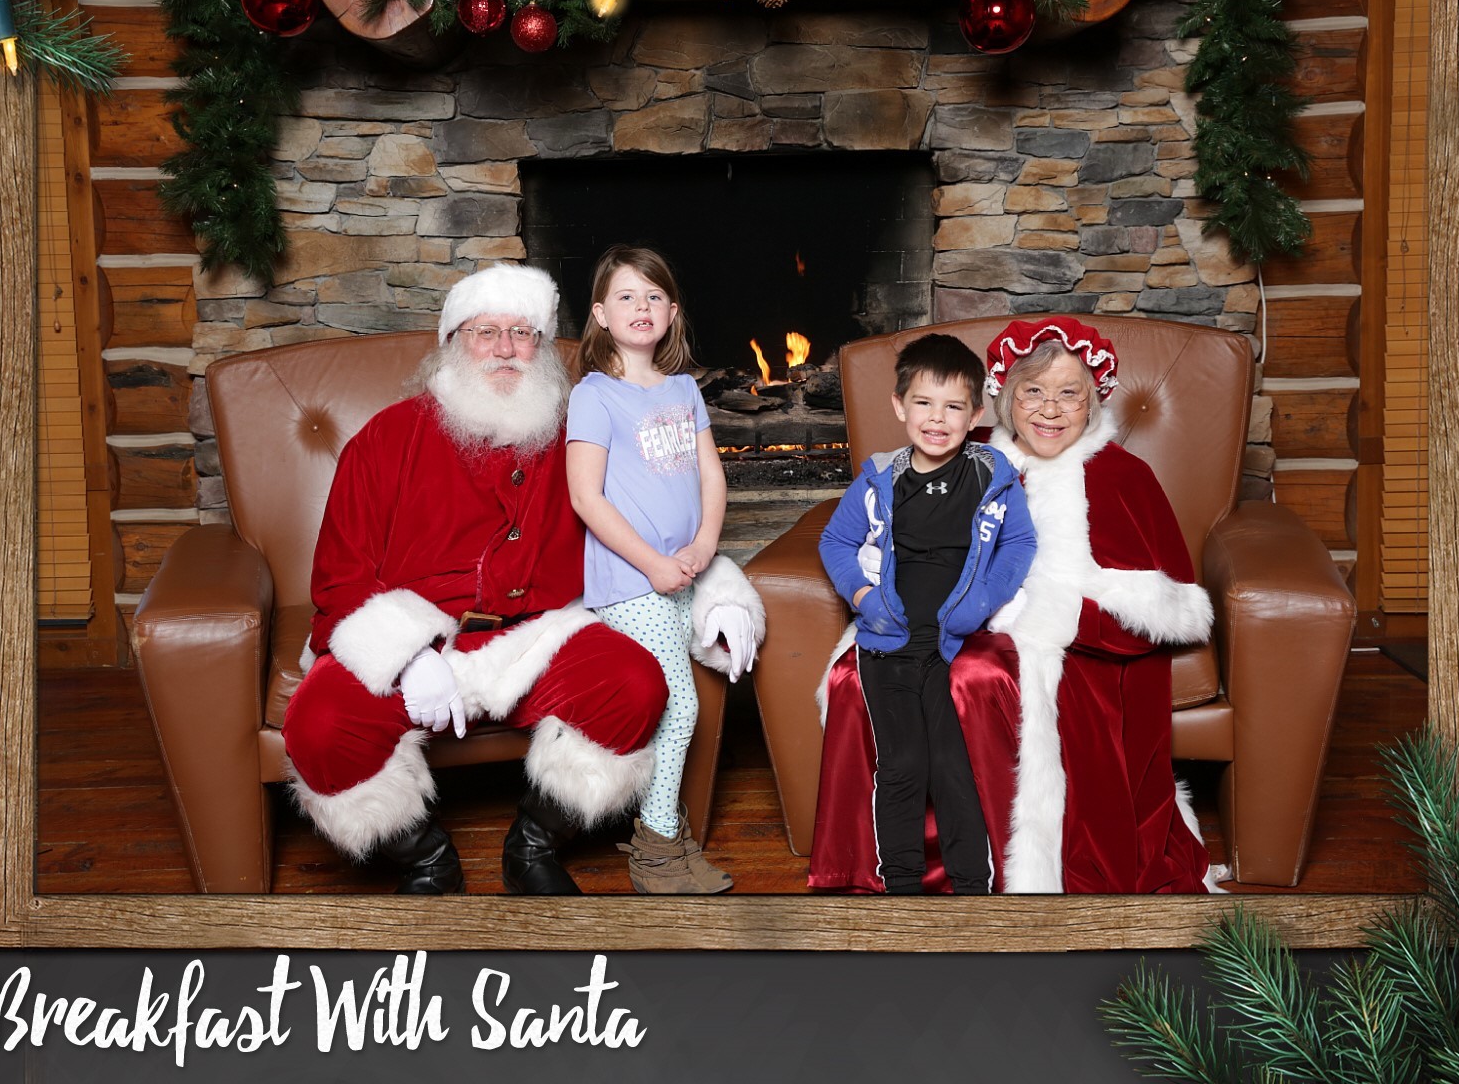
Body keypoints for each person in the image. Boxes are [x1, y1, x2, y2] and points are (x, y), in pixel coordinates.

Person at [280, 262, 763, 896]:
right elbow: (339, 578)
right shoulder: (384, 440)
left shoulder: (578, 431)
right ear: (452, 343)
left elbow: (656, 525)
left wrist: (716, 591)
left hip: (538, 635)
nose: (506, 349)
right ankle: (425, 859)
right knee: (318, 727)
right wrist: (407, 656)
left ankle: (534, 843)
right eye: (486, 332)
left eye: (523, 333)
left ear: (542, 347)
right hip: (422, 643)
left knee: (635, 686)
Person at [811, 317, 1216, 894]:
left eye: (1069, 393)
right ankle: (873, 869)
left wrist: (1046, 615)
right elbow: (873, 527)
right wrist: (873, 584)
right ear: (1002, 397)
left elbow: (1169, 609)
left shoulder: (1123, 476)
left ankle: (990, 876)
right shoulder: (966, 453)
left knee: (973, 678)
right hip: (931, 622)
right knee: (855, 675)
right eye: (1033, 391)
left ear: (1093, 399)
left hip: (1074, 651)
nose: (1050, 409)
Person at [811, 333, 1036, 894]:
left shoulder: (991, 475)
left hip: (951, 644)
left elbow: (1019, 542)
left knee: (953, 766)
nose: (937, 418)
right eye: (923, 403)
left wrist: (985, 601)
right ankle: (903, 889)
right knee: (904, 763)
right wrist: (863, 599)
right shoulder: (880, 478)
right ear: (899, 406)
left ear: (976, 414)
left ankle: (972, 888)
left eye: (954, 406)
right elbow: (836, 542)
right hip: (887, 641)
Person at [566, 245, 751, 894]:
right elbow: (585, 497)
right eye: (626, 296)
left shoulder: (682, 389)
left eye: (653, 297)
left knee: (690, 695)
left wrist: (703, 544)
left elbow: (710, 475)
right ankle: (656, 848)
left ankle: (668, 836)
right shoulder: (594, 396)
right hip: (629, 581)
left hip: (683, 571)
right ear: (600, 314)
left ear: (672, 313)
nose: (640, 307)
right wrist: (651, 564)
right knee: (679, 705)